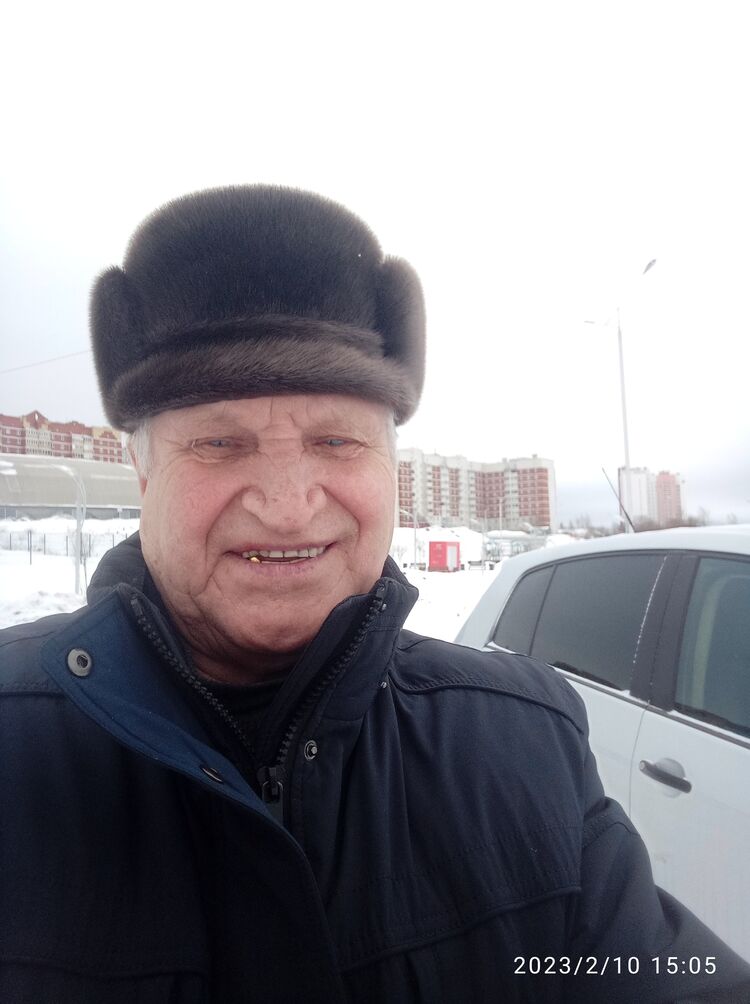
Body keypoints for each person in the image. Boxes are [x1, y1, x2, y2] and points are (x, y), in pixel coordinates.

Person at [0, 185, 747, 1004]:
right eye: (218, 443)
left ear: (390, 466)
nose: (288, 505)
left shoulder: (524, 744)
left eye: (335, 440)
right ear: (143, 474)